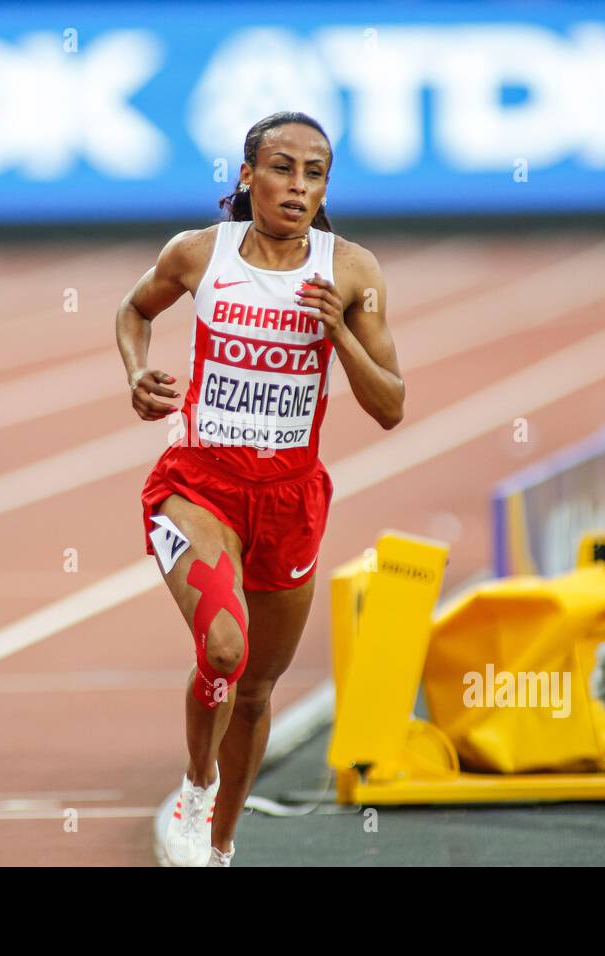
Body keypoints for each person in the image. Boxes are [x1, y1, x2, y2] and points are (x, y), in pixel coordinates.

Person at [114, 111, 404, 867]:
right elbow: (132, 311)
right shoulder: (197, 254)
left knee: (255, 689)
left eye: (315, 174)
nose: (297, 186)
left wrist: (340, 333)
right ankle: (196, 784)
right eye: (282, 168)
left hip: (290, 500)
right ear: (247, 176)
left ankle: (220, 844)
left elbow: (391, 407)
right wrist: (136, 373)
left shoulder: (352, 273)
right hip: (200, 486)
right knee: (223, 648)